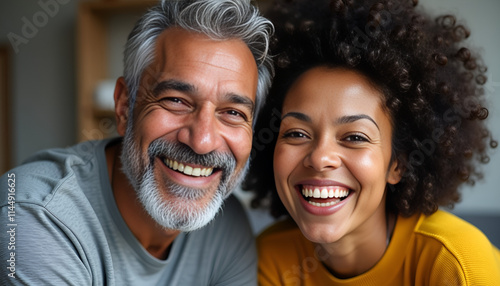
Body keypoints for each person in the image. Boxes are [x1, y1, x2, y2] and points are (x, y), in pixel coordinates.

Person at [0, 0, 273, 284]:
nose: (202, 141)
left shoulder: (228, 226)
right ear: (123, 106)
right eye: (175, 100)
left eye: (232, 113)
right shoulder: (33, 217)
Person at [243, 0, 500, 284]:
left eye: (354, 137)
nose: (319, 157)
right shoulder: (269, 259)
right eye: (296, 133)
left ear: (398, 164)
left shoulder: (455, 262)